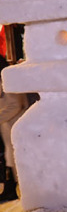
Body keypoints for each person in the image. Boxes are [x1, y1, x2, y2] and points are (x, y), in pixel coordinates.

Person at [0, 56, 29, 202]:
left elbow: (15, 105)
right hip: (8, 128)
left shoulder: (7, 80)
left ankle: (25, 193)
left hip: (15, 126)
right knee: (11, 160)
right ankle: (12, 189)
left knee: (19, 161)